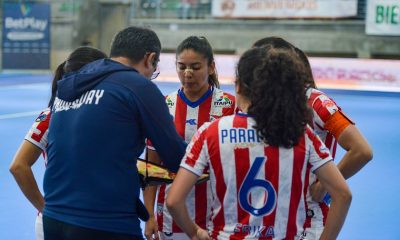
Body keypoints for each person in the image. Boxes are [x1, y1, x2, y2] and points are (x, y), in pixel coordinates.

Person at [166, 46, 352, 240]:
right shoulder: (301, 133)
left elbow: (174, 201)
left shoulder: (210, 132)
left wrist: (195, 233)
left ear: (238, 86)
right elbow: (343, 194)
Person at [42, 26, 187, 240]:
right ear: (150, 58)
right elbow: (176, 157)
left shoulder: (73, 83)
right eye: (153, 69)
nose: (151, 76)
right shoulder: (138, 86)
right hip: (104, 222)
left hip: (54, 218)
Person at [252, 37, 373, 240]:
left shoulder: (316, 102)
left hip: (309, 219)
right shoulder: (264, 103)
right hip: (269, 216)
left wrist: (325, 184)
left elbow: (362, 150)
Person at [9, 46, 107, 240]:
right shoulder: (50, 116)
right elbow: (18, 166)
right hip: (65, 222)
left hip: (94, 221)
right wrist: (46, 210)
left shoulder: (105, 114)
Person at [143, 36, 236, 240]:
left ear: (211, 67)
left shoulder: (230, 106)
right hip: (169, 216)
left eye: (195, 67)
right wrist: (149, 216)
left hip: (218, 216)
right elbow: (152, 165)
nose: (187, 73)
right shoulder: (163, 106)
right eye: (182, 66)